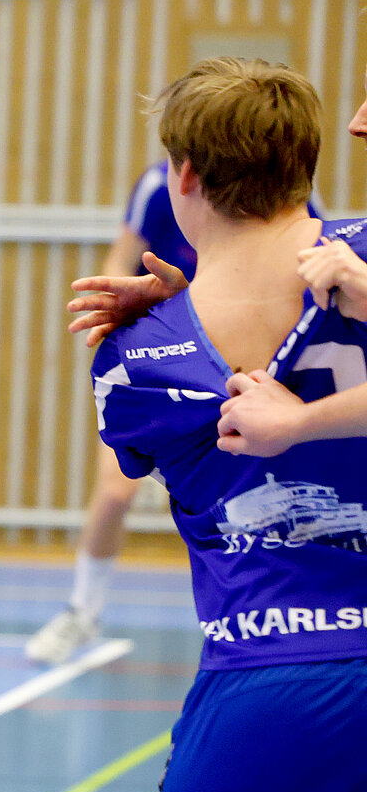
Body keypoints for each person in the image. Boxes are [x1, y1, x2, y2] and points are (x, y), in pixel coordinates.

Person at [71, 57, 367, 792]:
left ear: (183, 178)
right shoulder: (361, 267)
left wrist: (159, 318)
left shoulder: (139, 348)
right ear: (308, 162)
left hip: (266, 674)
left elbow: (152, 438)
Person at [27, 158, 326, 664]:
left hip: (244, 356)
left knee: (262, 492)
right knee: (114, 492)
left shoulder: (286, 192)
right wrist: (119, 324)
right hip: (167, 358)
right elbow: (122, 258)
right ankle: (82, 611)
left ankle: (289, 621)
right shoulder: (154, 187)